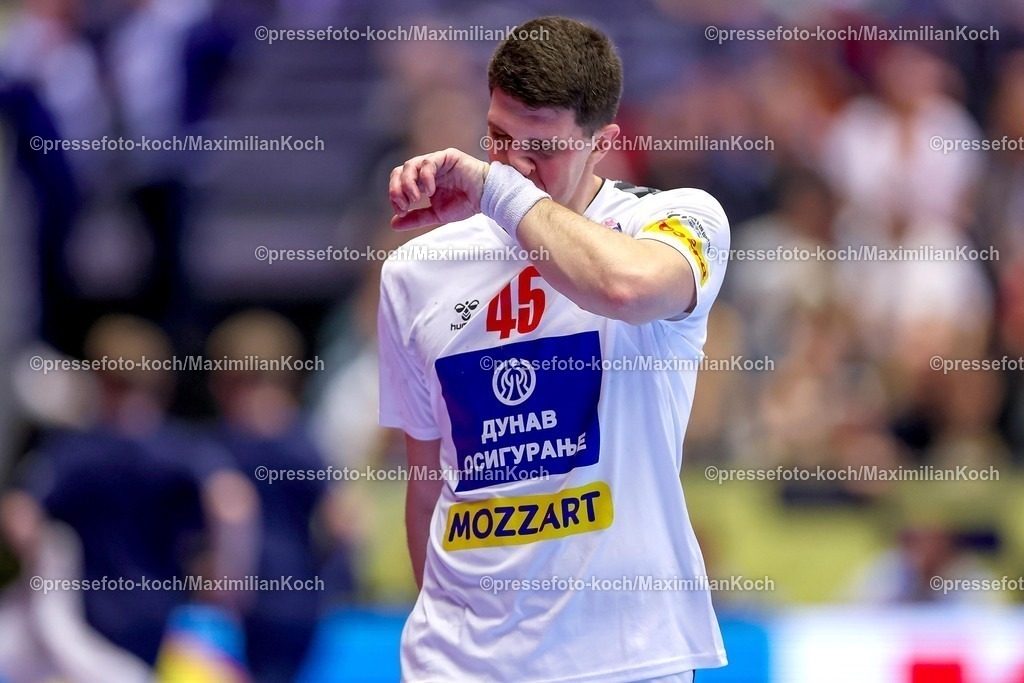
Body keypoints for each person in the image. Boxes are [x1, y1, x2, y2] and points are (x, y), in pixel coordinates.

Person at [378, 16, 729, 682]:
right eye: (499, 137)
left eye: (542, 147)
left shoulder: (671, 221)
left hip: (624, 658)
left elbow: (626, 288)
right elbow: (426, 487)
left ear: (603, 144)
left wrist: (497, 194)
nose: (515, 164)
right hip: (457, 664)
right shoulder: (415, 270)